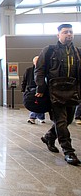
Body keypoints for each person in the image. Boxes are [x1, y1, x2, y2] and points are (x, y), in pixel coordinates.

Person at [35, 23, 81, 166]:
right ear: (58, 35)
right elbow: (39, 70)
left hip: (72, 91)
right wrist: (40, 89)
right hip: (55, 91)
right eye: (65, 32)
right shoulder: (49, 51)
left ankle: (49, 136)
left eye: (71, 32)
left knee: (67, 121)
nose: (69, 34)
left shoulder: (78, 52)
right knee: (61, 121)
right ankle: (68, 151)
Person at [21, 56, 45, 124]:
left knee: (41, 102)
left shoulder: (43, 70)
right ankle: (34, 117)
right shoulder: (29, 70)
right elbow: (24, 80)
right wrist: (23, 89)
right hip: (31, 89)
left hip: (40, 88)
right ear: (33, 62)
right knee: (34, 103)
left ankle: (39, 117)